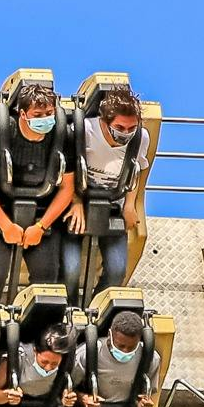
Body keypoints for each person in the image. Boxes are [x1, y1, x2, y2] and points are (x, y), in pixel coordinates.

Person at [0, 84, 74, 298]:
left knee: (47, 275)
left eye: (49, 113)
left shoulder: (64, 136)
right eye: (38, 114)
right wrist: (6, 225)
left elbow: (67, 188)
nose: (45, 119)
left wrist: (41, 227)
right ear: (23, 114)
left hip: (40, 212)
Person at [69, 87, 149, 289]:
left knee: (117, 271)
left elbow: (136, 171)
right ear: (104, 122)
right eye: (120, 128)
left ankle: (98, 306)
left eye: (131, 128)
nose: (126, 134)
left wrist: (130, 205)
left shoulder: (140, 138)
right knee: (70, 269)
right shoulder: (85, 131)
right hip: (78, 200)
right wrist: (75, 201)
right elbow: (66, 170)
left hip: (112, 205)